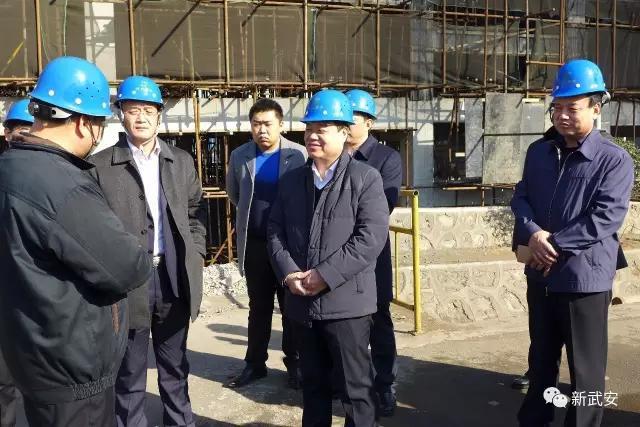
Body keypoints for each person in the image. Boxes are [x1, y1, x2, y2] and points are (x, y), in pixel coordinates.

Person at [0, 56, 152, 426]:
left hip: (31, 353)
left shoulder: (11, 167)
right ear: (85, 123)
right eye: (99, 124)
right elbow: (128, 266)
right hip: (71, 372)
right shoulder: (61, 184)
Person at [511, 59, 634, 427]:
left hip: (584, 281)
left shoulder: (613, 160)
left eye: (572, 107)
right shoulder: (539, 152)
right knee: (541, 361)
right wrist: (533, 233)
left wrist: (553, 244)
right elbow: (521, 197)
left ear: (596, 108)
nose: (562, 115)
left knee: (586, 371)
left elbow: (605, 217)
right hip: (541, 276)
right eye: (558, 107)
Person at [89, 75, 206, 427]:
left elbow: (195, 213)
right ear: (120, 114)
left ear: (159, 114)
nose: (141, 117)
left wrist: (196, 254)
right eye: (132, 109)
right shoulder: (99, 166)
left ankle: (180, 422)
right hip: (128, 283)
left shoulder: (180, 161)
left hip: (172, 276)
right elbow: (93, 230)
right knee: (129, 372)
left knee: (175, 367)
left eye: (148, 110)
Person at [268, 89, 389, 426]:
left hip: (347, 306)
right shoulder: (292, 181)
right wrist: (289, 273)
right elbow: (275, 230)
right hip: (302, 304)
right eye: (309, 129)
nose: (312, 136)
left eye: (322, 129)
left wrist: (325, 275)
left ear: (344, 132)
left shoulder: (365, 178)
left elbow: (370, 237)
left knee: (356, 391)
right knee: (314, 389)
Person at [225, 98, 307, 389]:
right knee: (258, 307)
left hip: (288, 245)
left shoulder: (298, 154)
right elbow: (234, 194)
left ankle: (295, 363)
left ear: (281, 125)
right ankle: (254, 364)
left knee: (291, 306)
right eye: (256, 124)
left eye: (268, 124)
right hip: (256, 244)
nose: (261, 130)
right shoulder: (240, 156)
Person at [345, 88, 402, 416]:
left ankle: (385, 386)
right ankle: (346, 384)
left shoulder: (386, 158)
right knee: (342, 323)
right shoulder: (331, 155)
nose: (345, 125)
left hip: (372, 252)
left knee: (379, 319)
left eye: (352, 118)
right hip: (334, 253)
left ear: (368, 122)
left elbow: (383, 206)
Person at [0, 98, 34, 427]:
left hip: (41, 301)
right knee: (4, 385)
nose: (21, 136)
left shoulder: (55, 180)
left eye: (28, 130)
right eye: (16, 129)